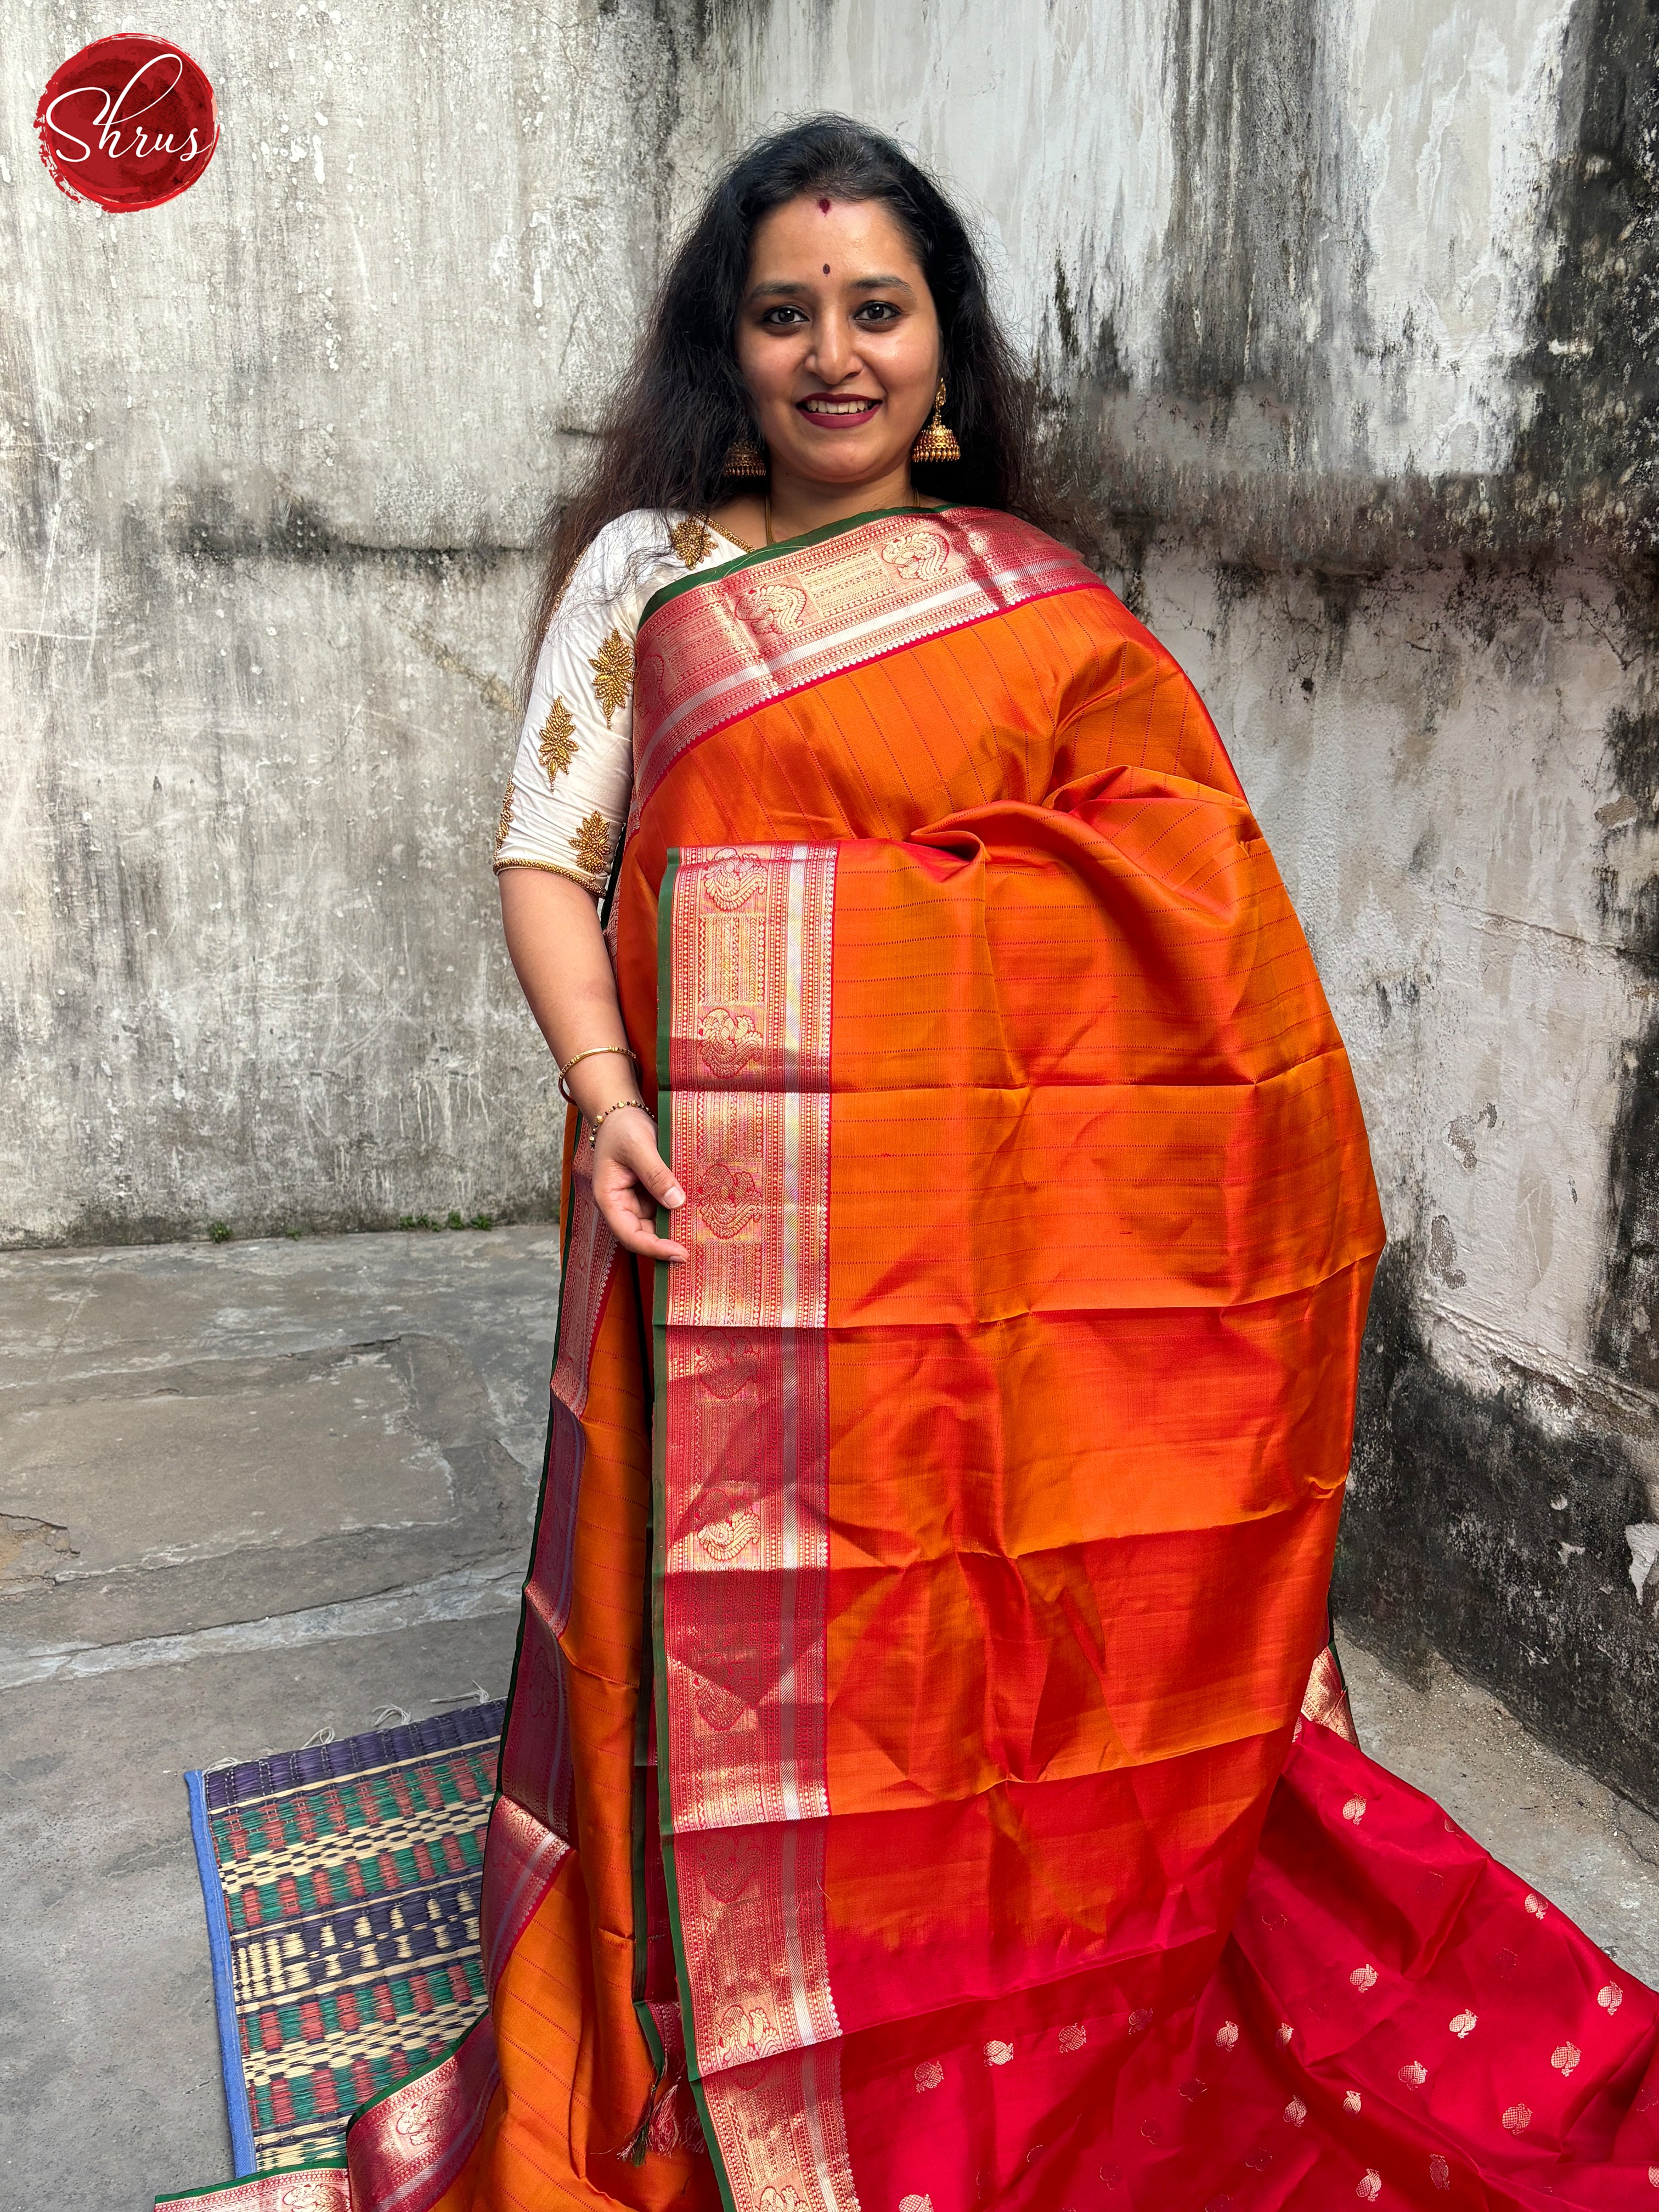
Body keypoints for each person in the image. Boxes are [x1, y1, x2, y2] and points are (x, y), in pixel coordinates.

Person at [164, 114, 1658, 2212]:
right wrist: (609, 1102)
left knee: (985, 1646)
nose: (834, 352)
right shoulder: (652, 576)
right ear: (729, 342)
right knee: (744, 1659)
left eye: (879, 309)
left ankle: (998, 1988)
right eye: (788, 313)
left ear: (945, 347)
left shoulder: (1031, 601)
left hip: (995, 1256)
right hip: (719, 1229)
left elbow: (1183, 909)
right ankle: (742, 2032)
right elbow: (547, 854)